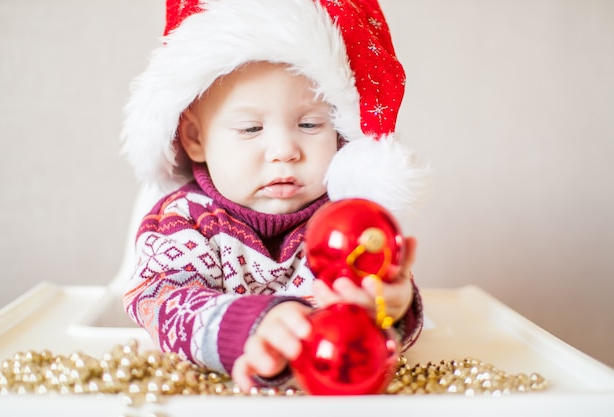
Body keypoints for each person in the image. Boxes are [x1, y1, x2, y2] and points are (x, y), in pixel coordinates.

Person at [122, 0, 430, 393]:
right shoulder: (182, 220)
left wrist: (391, 307)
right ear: (196, 138)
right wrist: (247, 326)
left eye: (309, 123)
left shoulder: (345, 225)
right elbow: (158, 298)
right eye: (251, 128)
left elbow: (375, 334)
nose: (285, 150)